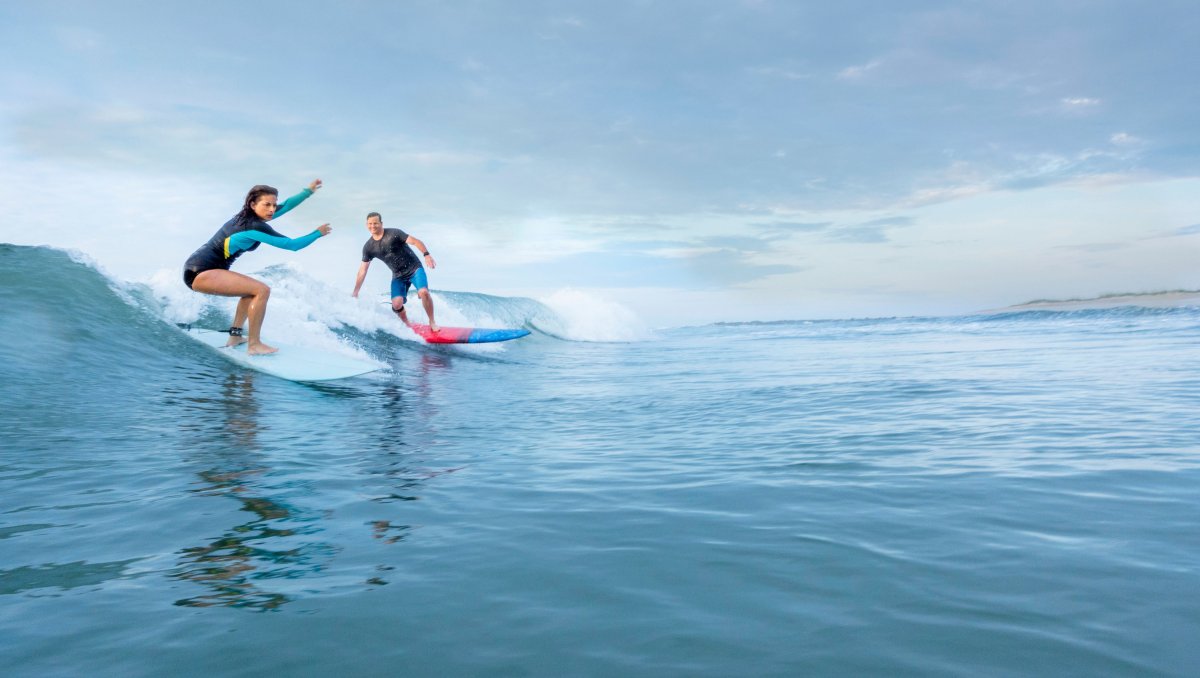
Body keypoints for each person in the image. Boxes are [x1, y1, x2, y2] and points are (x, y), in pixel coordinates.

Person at [183, 180, 331, 355]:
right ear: (253, 204)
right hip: (201, 271)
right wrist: (317, 233)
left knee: (250, 292)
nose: (272, 209)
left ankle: (235, 336)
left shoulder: (248, 216)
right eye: (267, 204)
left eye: (274, 205)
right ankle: (254, 345)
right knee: (262, 291)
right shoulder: (254, 226)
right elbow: (292, 245)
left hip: (200, 267)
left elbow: (286, 205)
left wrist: (308, 191)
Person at [352, 212, 439, 331]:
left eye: (375, 223)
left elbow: (415, 241)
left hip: (414, 269)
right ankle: (407, 324)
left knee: (424, 292)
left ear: (381, 223)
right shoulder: (369, 247)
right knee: (396, 304)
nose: (373, 226)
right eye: (370, 224)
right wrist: (355, 292)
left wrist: (426, 255)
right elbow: (363, 270)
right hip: (398, 276)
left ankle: (432, 321)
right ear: (367, 225)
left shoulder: (394, 234)